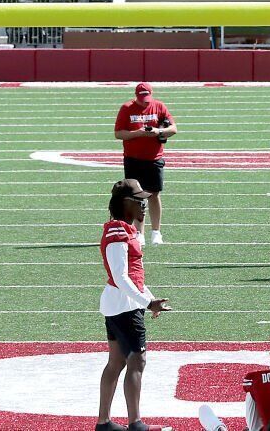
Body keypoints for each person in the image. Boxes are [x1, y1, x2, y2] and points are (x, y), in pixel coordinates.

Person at [98, 179, 170, 431]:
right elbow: (120, 276)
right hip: (124, 305)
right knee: (136, 361)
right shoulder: (118, 231)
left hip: (120, 303)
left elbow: (133, 275)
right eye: (138, 200)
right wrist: (147, 302)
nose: (144, 204)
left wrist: (150, 299)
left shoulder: (122, 229)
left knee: (116, 362)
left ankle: (104, 422)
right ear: (124, 203)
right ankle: (135, 423)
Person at [113, 82, 175, 244]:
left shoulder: (159, 106)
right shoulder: (126, 108)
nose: (145, 101)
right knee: (136, 196)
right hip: (133, 159)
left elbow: (173, 129)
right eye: (142, 98)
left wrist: (159, 131)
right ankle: (139, 233)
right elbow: (118, 134)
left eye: (147, 98)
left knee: (154, 194)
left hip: (154, 159)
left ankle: (156, 232)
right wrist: (138, 133)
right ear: (136, 96)